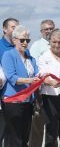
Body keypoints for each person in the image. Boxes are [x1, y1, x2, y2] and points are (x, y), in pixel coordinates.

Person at [1, 25, 39, 147]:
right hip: (13, 101)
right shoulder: (8, 55)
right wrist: (31, 80)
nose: (25, 43)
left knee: (24, 136)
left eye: (27, 40)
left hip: (28, 102)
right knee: (14, 137)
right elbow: (13, 78)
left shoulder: (30, 58)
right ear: (14, 40)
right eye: (22, 40)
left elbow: (39, 74)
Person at [29, 19, 56, 147]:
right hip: (40, 90)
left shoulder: (57, 45)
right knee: (38, 125)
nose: (49, 31)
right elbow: (35, 69)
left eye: (51, 28)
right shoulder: (36, 46)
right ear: (41, 31)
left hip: (55, 91)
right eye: (46, 29)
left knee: (53, 124)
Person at [0, 18, 19, 147]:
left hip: (17, 98)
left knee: (13, 136)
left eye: (17, 27)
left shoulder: (22, 47)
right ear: (4, 29)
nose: (16, 30)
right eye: (13, 27)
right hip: (3, 97)